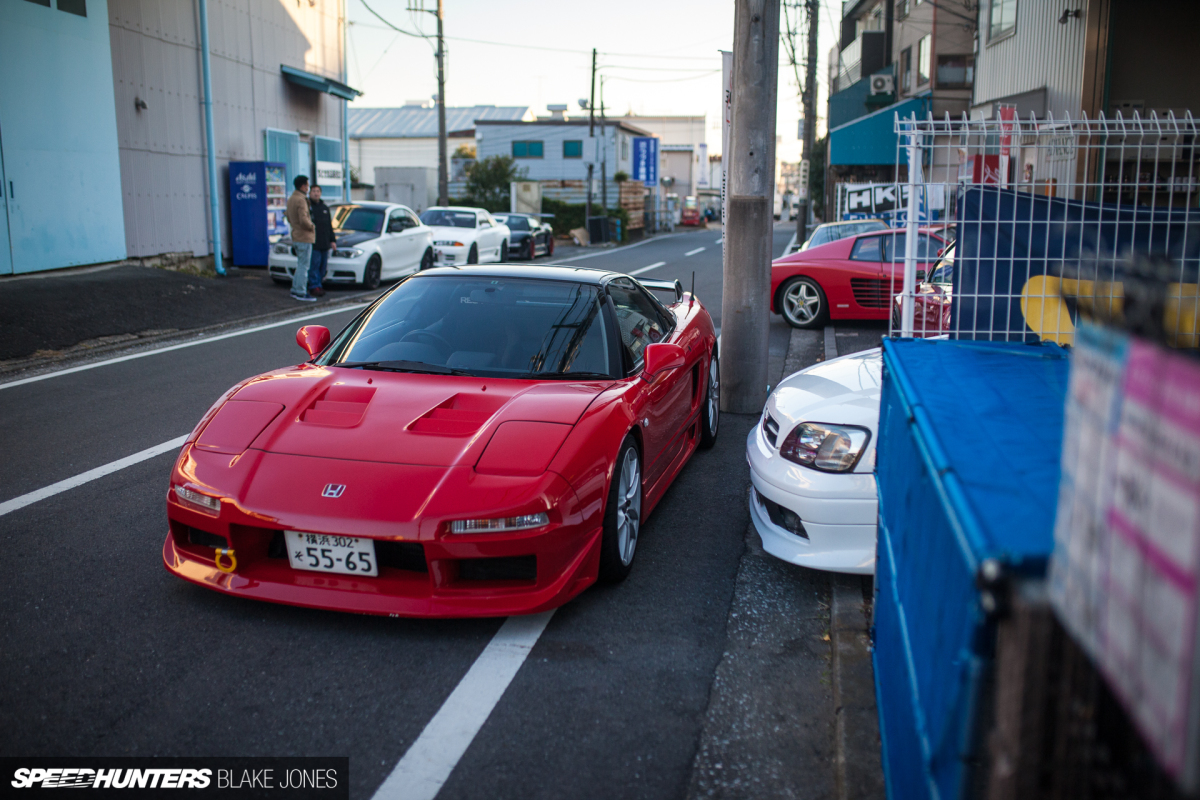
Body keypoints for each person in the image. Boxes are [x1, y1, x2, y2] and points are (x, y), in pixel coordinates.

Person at [285, 175, 316, 302]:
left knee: (300, 264)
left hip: (296, 235)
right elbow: (304, 219)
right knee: (304, 266)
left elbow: (288, 217)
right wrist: (312, 226)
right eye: (308, 185)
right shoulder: (301, 200)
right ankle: (301, 291)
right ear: (303, 186)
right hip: (304, 236)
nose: (308, 188)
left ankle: (295, 289)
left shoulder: (291, 198)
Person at [307, 184, 335, 298]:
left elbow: (329, 225)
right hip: (314, 243)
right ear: (310, 193)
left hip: (325, 243)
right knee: (314, 266)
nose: (316, 193)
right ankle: (314, 286)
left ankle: (319, 285)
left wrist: (332, 240)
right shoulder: (309, 208)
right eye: (313, 191)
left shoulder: (325, 207)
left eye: (318, 191)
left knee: (323, 267)